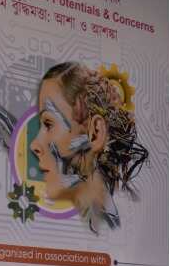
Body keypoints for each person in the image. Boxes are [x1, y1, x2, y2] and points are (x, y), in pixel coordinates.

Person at [28, 61, 151, 233]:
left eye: (48, 124)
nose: (34, 144)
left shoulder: (108, 227)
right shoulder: (97, 223)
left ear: (95, 133)